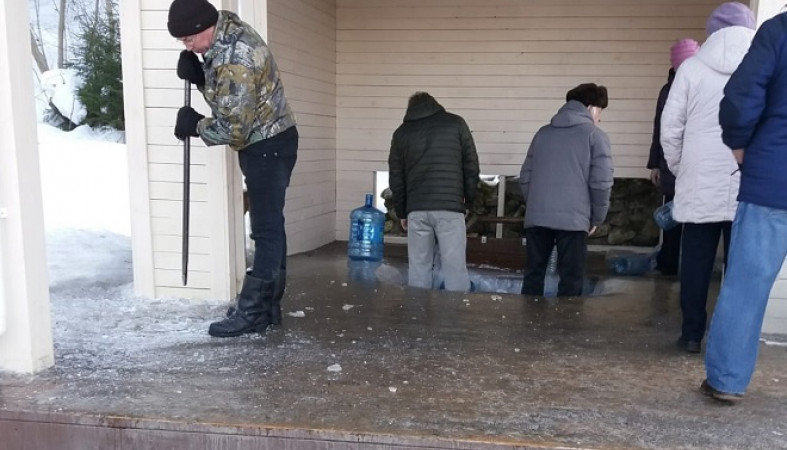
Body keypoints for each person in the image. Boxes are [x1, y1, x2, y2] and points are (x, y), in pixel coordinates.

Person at [167, 0, 298, 337]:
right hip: (270, 141)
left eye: (188, 40)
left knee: (266, 230)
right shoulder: (224, 31)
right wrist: (201, 76)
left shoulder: (235, 56)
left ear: (202, 29)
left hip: (266, 146)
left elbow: (234, 126)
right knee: (272, 227)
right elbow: (230, 96)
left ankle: (254, 312)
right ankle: (267, 307)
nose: (188, 46)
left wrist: (196, 124)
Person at [701, 10, 787, 403]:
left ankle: (727, 381)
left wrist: (739, 147)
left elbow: (741, 97)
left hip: (773, 179)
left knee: (746, 287)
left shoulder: (780, 30)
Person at [660, 2, 755, 354]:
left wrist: (681, 167)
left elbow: (670, 129)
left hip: (698, 181)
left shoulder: (691, 69)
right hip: (748, 181)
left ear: (712, 33)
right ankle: (731, 342)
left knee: (696, 263)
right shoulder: (764, 67)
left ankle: (690, 335)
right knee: (740, 267)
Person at [519, 83, 613, 297]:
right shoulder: (595, 137)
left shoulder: (542, 134)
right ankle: (566, 327)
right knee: (571, 279)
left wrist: (535, 205)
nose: (600, 117)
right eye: (600, 111)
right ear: (590, 107)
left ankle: (527, 325)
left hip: (538, 218)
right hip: (574, 220)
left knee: (533, 276)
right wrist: (596, 218)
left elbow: (525, 177)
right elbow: (601, 183)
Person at [388, 92, 480, 292]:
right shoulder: (456, 124)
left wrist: (403, 212)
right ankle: (453, 318)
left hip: (417, 210)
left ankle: (417, 316)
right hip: (450, 207)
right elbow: (471, 166)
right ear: (435, 104)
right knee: (454, 267)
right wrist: (467, 202)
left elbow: (396, 178)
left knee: (419, 267)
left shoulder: (401, 133)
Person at [646, 38, 700, 276]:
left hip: (696, 163)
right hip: (672, 165)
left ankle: (688, 267)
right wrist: (655, 164)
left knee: (695, 221)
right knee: (673, 217)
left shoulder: (701, 85)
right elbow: (660, 129)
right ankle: (668, 264)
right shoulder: (668, 90)